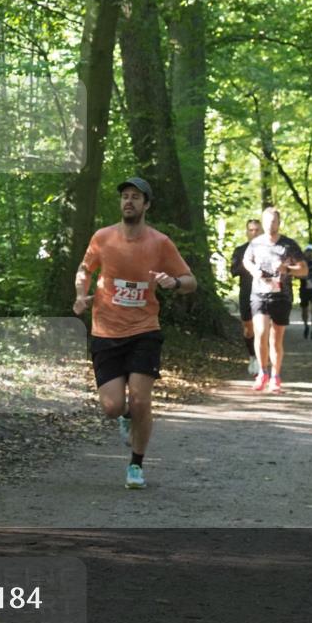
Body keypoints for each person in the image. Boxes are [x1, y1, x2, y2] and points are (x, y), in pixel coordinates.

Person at [73, 177, 197, 489]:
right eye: (125, 196)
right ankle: (127, 415)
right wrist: (80, 295)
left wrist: (174, 282)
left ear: (147, 205)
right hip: (106, 330)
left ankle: (136, 465)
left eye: (135, 197)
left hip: (145, 330)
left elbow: (190, 281)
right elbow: (85, 270)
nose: (128, 201)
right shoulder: (103, 238)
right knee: (112, 407)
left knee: (141, 399)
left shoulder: (160, 242)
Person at [243, 207, 308, 393]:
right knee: (261, 332)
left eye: (274, 221)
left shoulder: (288, 245)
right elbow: (247, 261)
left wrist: (287, 269)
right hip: (259, 294)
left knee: (275, 338)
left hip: (281, 295)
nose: (270, 225)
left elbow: (304, 270)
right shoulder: (255, 243)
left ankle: (275, 376)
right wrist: (254, 270)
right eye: (267, 221)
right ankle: (262, 372)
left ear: (279, 223)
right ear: (263, 222)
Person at [230, 218, 263, 376]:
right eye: (251, 230)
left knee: (263, 328)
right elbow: (234, 271)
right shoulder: (240, 250)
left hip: (265, 294)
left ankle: (261, 361)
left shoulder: (269, 250)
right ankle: (252, 356)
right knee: (249, 329)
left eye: (257, 230)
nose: (254, 233)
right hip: (246, 293)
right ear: (247, 232)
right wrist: (249, 264)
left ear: (262, 231)